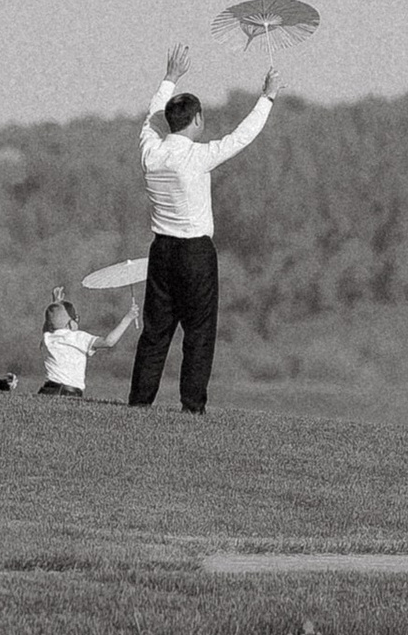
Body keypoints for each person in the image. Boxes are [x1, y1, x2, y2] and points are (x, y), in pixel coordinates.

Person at [129, 43, 276, 416]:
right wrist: (267, 97)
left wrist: (169, 78)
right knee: (198, 332)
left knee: (155, 332)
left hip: (160, 251)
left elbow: (150, 119)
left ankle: (139, 402)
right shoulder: (197, 157)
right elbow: (241, 137)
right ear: (196, 120)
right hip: (194, 253)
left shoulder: (151, 151)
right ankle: (192, 406)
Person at [41, 285, 140, 395]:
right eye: (76, 318)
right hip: (69, 392)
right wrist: (128, 318)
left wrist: (56, 304)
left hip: (47, 390)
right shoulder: (78, 337)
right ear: (70, 323)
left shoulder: (47, 338)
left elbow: (50, 324)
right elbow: (109, 342)